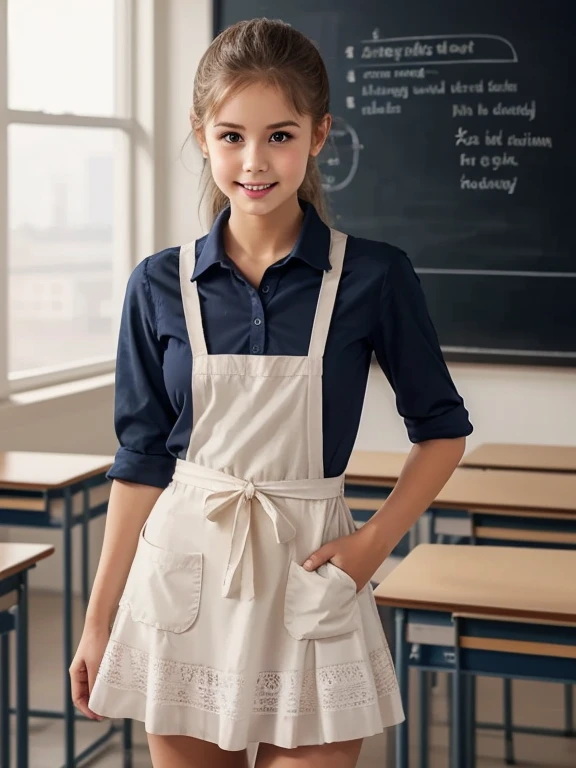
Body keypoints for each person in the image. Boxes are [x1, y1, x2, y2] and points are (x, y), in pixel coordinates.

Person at [69, 17, 473, 768]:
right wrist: (98, 623)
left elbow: (442, 430)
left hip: (313, 573)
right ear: (201, 135)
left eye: (280, 136)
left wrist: (368, 550)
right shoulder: (157, 284)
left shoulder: (373, 277)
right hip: (183, 581)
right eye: (231, 136)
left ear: (319, 136)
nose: (254, 162)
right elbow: (140, 460)